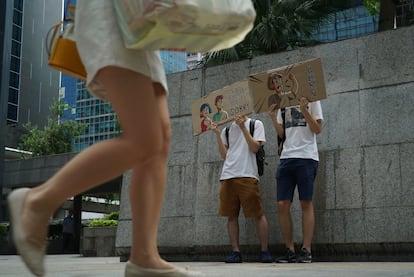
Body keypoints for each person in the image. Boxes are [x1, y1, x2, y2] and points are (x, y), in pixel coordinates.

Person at [7, 1, 204, 276]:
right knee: (145, 139)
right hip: (117, 12)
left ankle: (144, 256)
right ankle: (38, 201)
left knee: (159, 140)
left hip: (139, 24)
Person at [210, 115, 273, 264]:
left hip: (248, 174)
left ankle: (265, 251)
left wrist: (243, 127)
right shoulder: (227, 130)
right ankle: (235, 252)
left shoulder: (255, 124)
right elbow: (225, 155)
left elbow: (255, 147)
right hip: (228, 175)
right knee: (231, 215)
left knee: (258, 213)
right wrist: (218, 134)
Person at [268, 97, 323, 263]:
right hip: (286, 157)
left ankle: (306, 250)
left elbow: (317, 128)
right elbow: (282, 133)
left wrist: (304, 109)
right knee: (282, 204)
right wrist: (272, 116)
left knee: (305, 202)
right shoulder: (284, 102)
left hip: (306, 156)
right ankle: (289, 250)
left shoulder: (314, 100)